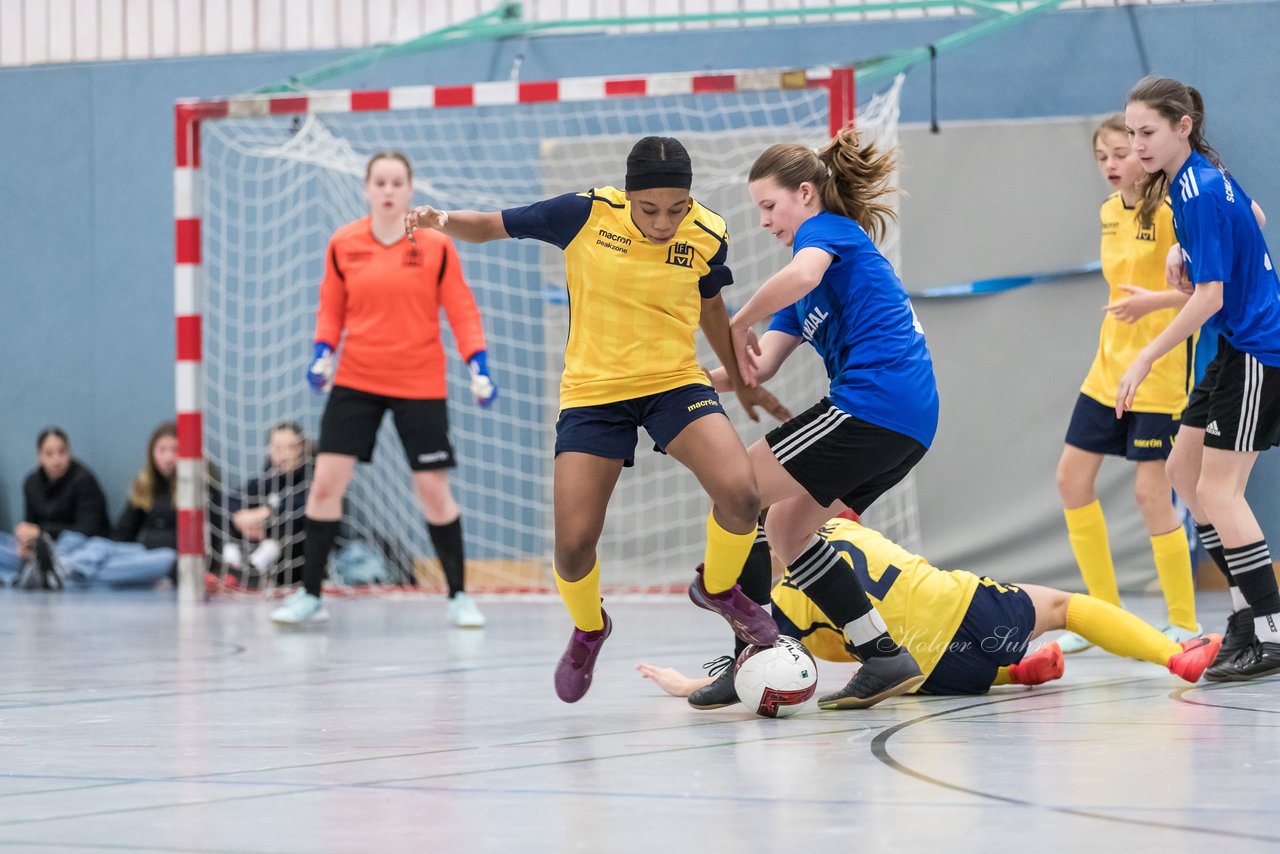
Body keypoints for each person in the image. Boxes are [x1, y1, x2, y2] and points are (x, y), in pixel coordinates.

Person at [406, 136, 789, 703]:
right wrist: (441, 219)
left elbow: (710, 305)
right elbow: (491, 226)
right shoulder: (583, 214)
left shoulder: (707, 231)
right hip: (594, 392)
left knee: (740, 493)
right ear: (628, 196)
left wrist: (739, 375)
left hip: (672, 383)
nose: (664, 222)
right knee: (573, 547)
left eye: (676, 208)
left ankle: (718, 588)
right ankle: (590, 627)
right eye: (650, 209)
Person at [693, 129, 941, 710]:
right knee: (785, 529)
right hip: (903, 422)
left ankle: (750, 653)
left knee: (740, 489)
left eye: (768, 206)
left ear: (806, 194)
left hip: (875, 406)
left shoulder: (827, 233)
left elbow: (800, 277)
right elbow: (756, 370)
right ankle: (882, 656)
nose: (763, 221)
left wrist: (739, 316)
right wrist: (679, 381)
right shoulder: (803, 287)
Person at [637, 514, 1223, 705]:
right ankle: (1175, 656)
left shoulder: (782, 606)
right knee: (1066, 607)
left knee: (919, 650)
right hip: (967, 609)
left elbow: (758, 668)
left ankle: (1013, 673)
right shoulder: (841, 526)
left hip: (928, 677)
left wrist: (686, 684)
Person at [270, 151, 496, 629]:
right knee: (327, 482)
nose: (389, 190)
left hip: (420, 380)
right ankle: (309, 594)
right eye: (380, 182)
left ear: (410, 189)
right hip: (357, 379)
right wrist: (321, 352)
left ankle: (458, 596)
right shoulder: (343, 243)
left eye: (397, 182)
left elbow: (461, 308)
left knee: (433, 489)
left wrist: (478, 361)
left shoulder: (436, 245)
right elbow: (331, 309)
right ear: (367, 189)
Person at [1117, 77, 1280, 681]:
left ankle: (1270, 626)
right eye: (1131, 133)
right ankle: (1244, 615)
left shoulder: (1201, 186)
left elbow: (1209, 298)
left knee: (1218, 492)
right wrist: (1182, 252)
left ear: (1183, 125)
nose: (1137, 146)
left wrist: (1145, 357)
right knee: (1184, 474)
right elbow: (1255, 214)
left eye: (1147, 133)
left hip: (1261, 349)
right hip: (1237, 347)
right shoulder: (1198, 178)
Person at [1054, 114, 1200, 654]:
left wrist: (1152, 302)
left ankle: (1183, 619)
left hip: (1161, 374)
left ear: (1145, 152)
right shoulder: (1107, 212)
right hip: (1107, 371)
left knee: (1150, 494)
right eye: (1103, 157)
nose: (1112, 164)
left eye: (1121, 152)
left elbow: (1205, 294)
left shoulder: (1174, 212)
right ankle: (1103, 614)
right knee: (1072, 480)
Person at [55, 422, 180, 588]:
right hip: (139, 552)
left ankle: (65, 572)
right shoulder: (145, 486)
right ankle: (61, 565)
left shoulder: (198, 489)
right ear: (152, 453)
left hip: (166, 560)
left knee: (167, 557)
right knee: (98, 545)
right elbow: (123, 534)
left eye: (175, 450)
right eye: (162, 450)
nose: (168, 458)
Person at [0, 427, 109, 586]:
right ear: (39, 456)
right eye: (49, 454)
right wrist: (25, 544)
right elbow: (30, 523)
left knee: (77, 544)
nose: (56, 459)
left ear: (69, 452)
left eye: (62, 452)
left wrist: (42, 533)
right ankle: (29, 572)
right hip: (41, 552)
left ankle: (51, 570)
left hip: (74, 547)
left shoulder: (84, 480)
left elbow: (88, 530)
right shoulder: (31, 483)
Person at [223, 422, 312, 587]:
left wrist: (267, 513)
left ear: (302, 448)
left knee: (290, 525)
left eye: (291, 447)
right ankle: (234, 568)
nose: (284, 455)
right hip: (258, 541)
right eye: (278, 448)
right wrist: (241, 519)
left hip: (296, 558)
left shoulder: (312, 478)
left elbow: (304, 505)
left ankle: (254, 570)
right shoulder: (266, 480)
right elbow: (231, 501)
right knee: (229, 520)